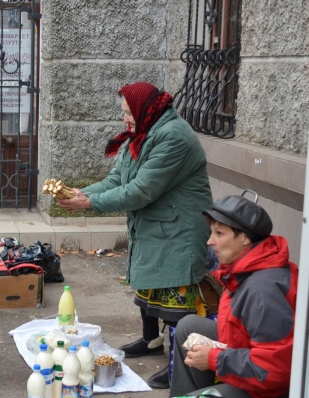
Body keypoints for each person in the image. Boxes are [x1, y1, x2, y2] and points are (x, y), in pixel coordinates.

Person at [56, 81, 212, 389]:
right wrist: (82, 192)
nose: (125, 119)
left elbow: (141, 190)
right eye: (124, 113)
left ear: (144, 110)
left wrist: (89, 203)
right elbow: (117, 179)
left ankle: (179, 365)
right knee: (148, 286)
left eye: (129, 113)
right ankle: (150, 340)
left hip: (179, 228)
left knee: (176, 298)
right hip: (157, 224)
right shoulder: (140, 135)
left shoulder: (174, 137)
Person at [170, 191, 298, 398]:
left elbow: (273, 371)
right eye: (212, 233)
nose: (210, 241)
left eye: (219, 234)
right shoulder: (246, 268)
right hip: (254, 360)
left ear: (245, 238)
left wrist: (215, 359)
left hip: (273, 389)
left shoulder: (265, 289)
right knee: (190, 327)